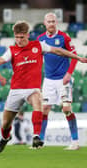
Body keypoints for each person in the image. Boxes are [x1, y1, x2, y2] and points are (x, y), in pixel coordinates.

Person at [0, 20, 87, 153]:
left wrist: (77, 57)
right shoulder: (11, 50)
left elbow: (58, 51)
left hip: (33, 89)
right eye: (17, 37)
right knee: (6, 124)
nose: (19, 40)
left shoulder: (38, 46)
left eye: (22, 37)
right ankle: (5, 138)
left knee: (38, 101)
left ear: (28, 35)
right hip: (16, 90)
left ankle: (36, 136)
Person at [37, 13, 80, 150]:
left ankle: (75, 142)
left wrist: (69, 73)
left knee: (66, 108)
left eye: (53, 21)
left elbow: (74, 56)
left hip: (63, 79)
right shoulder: (40, 39)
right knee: (44, 109)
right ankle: (40, 141)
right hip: (48, 80)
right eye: (49, 21)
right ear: (44, 23)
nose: (51, 23)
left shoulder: (64, 37)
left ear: (57, 22)